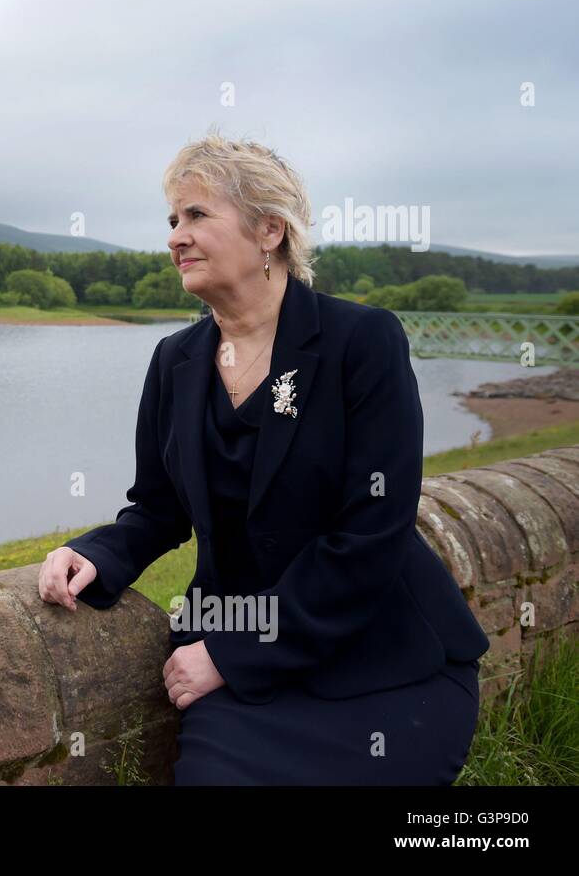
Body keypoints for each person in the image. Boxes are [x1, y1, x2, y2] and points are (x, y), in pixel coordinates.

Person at [37, 133, 490, 785]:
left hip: (381, 663)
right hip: (250, 684)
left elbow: (371, 535)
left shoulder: (361, 341)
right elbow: (159, 508)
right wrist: (97, 554)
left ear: (269, 230)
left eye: (196, 215)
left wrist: (232, 653)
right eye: (172, 219)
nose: (175, 237)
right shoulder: (175, 362)